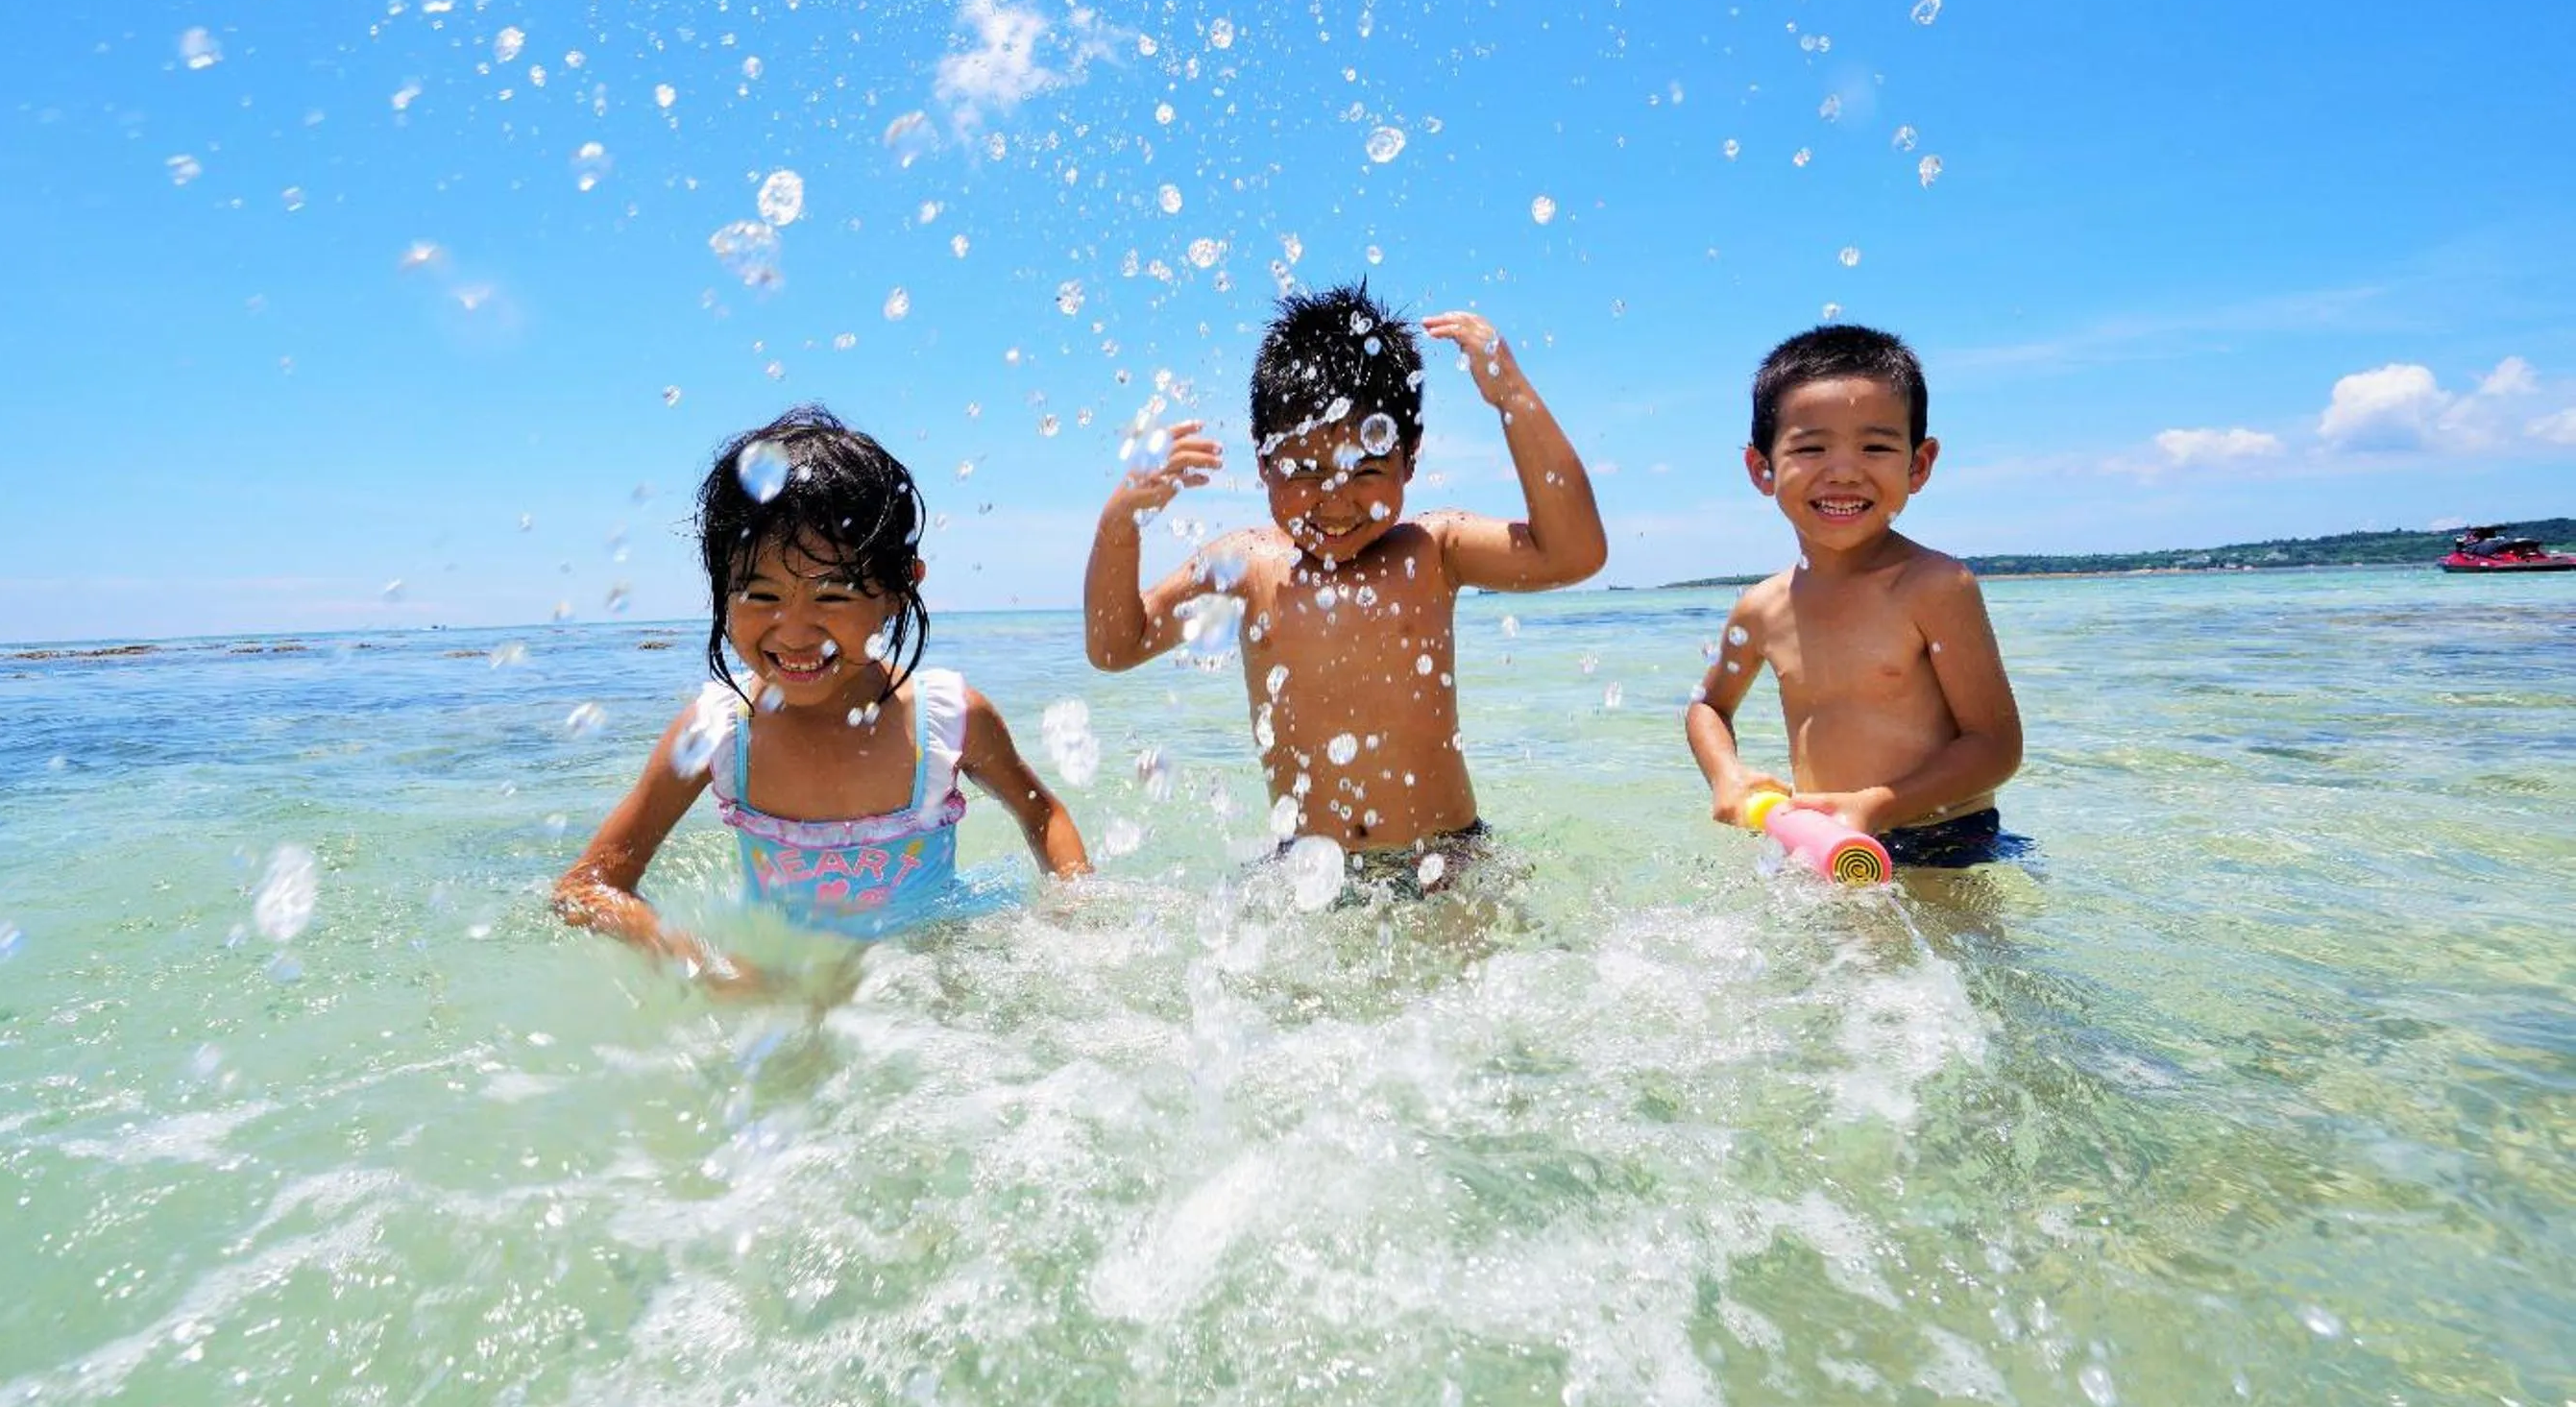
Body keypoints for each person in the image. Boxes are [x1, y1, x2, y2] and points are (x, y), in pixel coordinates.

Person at [1083, 282, 1606, 891]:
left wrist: (1509, 394)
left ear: (1409, 458)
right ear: (1263, 463)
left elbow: (1574, 554)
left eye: (1367, 469)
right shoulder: (1249, 566)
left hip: (1443, 859)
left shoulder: (1434, 552)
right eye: (1304, 471)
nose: (1333, 501)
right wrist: (1120, 524)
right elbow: (1116, 645)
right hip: (1305, 870)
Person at [554, 406, 1089, 988]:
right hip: (788, 998)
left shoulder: (948, 721)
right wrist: (704, 965)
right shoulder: (718, 733)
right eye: (759, 595)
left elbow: (1043, 814)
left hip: (935, 980)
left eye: (832, 595)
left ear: (897, 587)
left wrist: (1075, 916)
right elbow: (585, 888)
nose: (793, 630)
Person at [1685, 324, 2024, 870]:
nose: (1843, 472)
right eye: (1811, 447)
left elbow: (1995, 746)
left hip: (1944, 841)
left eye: (1875, 446)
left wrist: (1874, 807)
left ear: (1918, 465)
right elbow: (1708, 705)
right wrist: (1727, 775)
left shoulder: (1934, 587)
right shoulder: (1763, 607)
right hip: (1823, 841)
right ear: (1761, 468)